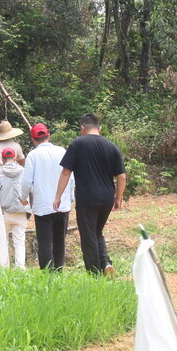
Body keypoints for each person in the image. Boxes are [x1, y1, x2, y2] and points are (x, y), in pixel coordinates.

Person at [53, 113, 126, 277]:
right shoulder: (111, 146)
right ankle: (106, 263)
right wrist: (118, 198)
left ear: (82, 128)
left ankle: (94, 275)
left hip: (87, 198)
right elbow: (121, 177)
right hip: (107, 198)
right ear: (99, 128)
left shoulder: (77, 144)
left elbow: (66, 172)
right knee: (97, 232)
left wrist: (58, 196)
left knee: (88, 237)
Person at [22, 123, 74, 270]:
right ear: (48, 136)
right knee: (59, 241)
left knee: (44, 242)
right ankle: (58, 271)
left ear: (33, 140)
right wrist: (70, 197)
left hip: (42, 205)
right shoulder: (61, 151)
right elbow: (70, 176)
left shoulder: (33, 155)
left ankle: (47, 275)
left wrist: (23, 197)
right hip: (62, 204)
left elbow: (26, 181)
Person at [0, 147, 29, 268]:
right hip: (21, 211)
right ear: (15, 158)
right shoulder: (24, 171)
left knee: (3, 240)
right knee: (19, 241)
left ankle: (3, 266)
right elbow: (29, 189)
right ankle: (20, 267)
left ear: (2, 159)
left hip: (3, 212)